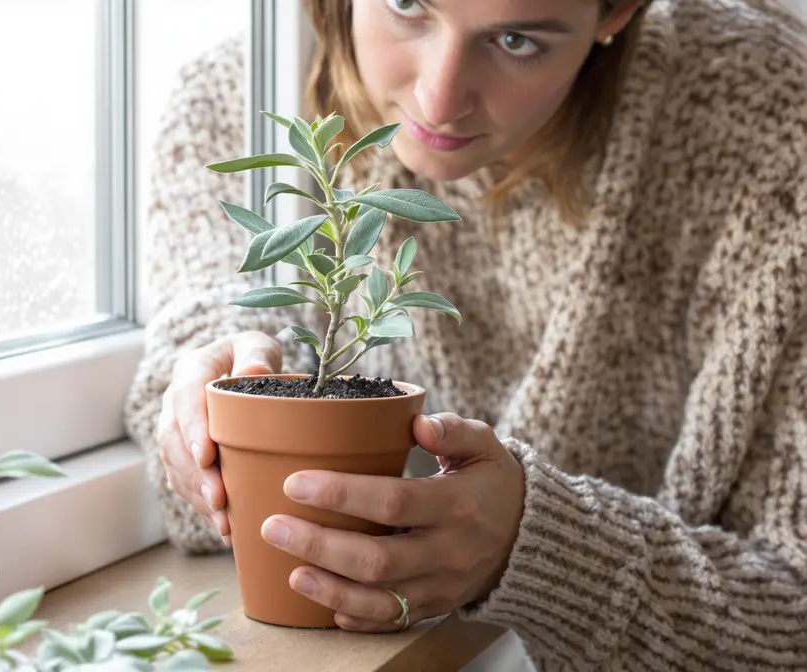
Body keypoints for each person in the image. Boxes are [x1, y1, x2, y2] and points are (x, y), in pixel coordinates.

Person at [124, 0, 807, 669]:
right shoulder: (245, 93)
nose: (439, 99)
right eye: (406, 4)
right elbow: (215, 329)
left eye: (517, 41)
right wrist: (203, 393)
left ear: (616, 13)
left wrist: (541, 551)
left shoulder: (767, 120)